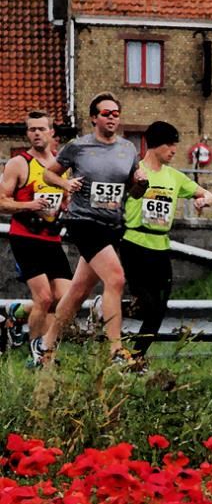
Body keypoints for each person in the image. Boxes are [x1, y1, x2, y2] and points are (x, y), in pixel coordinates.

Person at [34, 93, 146, 364]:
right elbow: (49, 173)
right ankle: (116, 350)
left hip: (112, 224)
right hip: (83, 221)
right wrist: (65, 185)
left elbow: (132, 191)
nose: (112, 118)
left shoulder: (128, 149)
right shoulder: (79, 146)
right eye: (106, 113)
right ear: (94, 118)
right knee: (116, 278)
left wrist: (140, 184)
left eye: (116, 113)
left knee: (78, 291)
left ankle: (44, 345)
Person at [118, 121, 212, 362]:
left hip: (161, 247)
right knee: (148, 303)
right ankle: (107, 309)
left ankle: (135, 358)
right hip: (134, 243)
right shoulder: (134, 170)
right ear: (155, 145)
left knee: (160, 308)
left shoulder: (175, 176)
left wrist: (203, 200)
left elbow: (209, 194)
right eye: (170, 145)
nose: (174, 150)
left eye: (175, 145)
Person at [0, 110, 71, 356]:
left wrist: (65, 204)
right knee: (44, 298)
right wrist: (28, 205)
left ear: (52, 133)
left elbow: (64, 200)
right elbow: (1, 202)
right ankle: (40, 354)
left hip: (52, 238)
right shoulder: (18, 163)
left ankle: (18, 313)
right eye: (32, 129)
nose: (37, 134)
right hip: (25, 237)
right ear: (27, 133)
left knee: (64, 299)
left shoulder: (61, 166)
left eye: (42, 129)